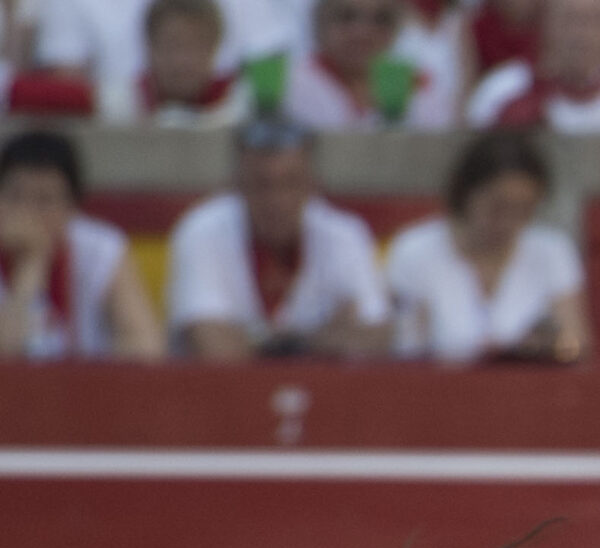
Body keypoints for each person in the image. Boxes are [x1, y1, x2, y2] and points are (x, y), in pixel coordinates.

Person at [165, 117, 389, 360]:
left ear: (312, 184)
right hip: (223, 386)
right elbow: (211, 347)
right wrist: (312, 342)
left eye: (290, 183)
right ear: (237, 184)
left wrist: (256, 342)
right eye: (262, 184)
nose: (277, 200)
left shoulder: (344, 234)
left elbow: (375, 337)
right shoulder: (201, 231)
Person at [385, 129, 589, 363]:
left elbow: (577, 346)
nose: (509, 222)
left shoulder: (552, 251)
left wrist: (546, 346)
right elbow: (402, 348)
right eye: (497, 207)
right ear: (466, 193)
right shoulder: (414, 250)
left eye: (524, 209)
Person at [0, 129, 161, 360]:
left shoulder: (102, 248)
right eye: (15, 196)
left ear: (71, 206)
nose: (27, 212)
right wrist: (32, 262)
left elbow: (146, 347)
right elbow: (8, 358)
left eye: (44, 200)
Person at [467, 0, 600, 129]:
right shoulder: (499, 93)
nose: (583, 34)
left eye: (596, 20)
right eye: (572, 19)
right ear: (547, 24)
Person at [275, 0, 457, 129]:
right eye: (346, 17)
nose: (363, 32)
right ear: (320, 24)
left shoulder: (419, 86)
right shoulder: (290, 84)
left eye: (381, 19)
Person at [95, 0, 248, 123]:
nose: (183, 60)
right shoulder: (118, 106)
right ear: (150, 46)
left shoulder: (238, 109)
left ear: (215, 48)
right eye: (173, 45)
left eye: (196, 46)